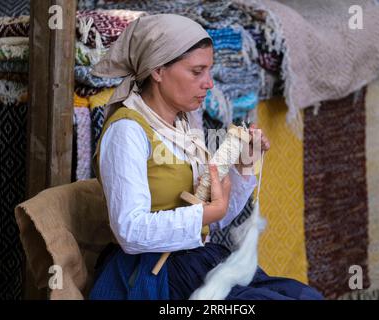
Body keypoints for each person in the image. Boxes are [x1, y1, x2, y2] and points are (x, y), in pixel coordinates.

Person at [89, 13, 323, 300]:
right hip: (154, 273)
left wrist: (245, 164)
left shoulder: (182, 125)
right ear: (158, 71)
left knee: (305, 297)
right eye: (197, 71)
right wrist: (207, 213)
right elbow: (130, 230)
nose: (209, 83)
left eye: (209, 71)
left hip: (198, 259)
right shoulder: (128, 131)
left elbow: (216, 218)